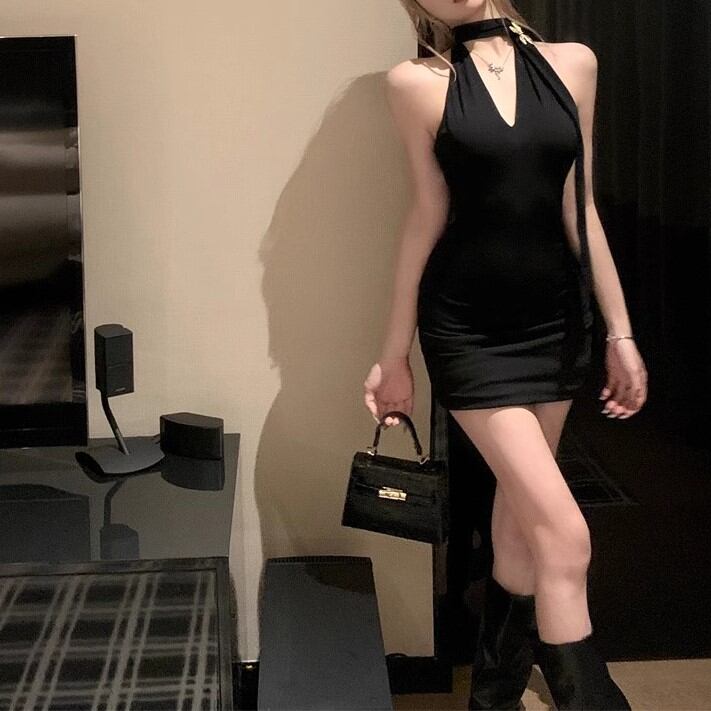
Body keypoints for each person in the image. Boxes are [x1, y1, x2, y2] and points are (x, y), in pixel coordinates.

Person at [363, 1, 648, 709]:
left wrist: (620, 331)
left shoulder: (574, 65)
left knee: (521, 525)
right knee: (565, 535)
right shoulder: (413, 83)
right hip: (467, 331)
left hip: (554, 323)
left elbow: (579, 207)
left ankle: (490, 696)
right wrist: (393, 352)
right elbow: (426, 213)